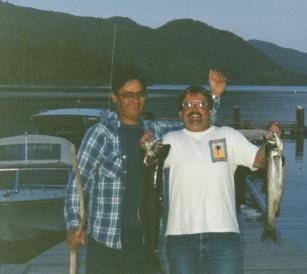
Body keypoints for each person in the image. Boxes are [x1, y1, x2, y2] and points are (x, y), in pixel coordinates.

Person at [64, 69, 226, 274]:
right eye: (128, 95)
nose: (135, 100)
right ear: (115, 97)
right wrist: (73, 225)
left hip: (146, 239)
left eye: (140, 94)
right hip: (105, 239)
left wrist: (215, 96)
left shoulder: (158, 132)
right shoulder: (100, 134)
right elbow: (78, 184)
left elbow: (199, 125)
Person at [162, 86, 280, 274]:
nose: (194, 108)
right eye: (188, 104)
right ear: (180, 113)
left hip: (224, 237)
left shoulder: (228, 135)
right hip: (180, 239)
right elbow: (149, 163)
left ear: (210, 110)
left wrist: (270, 143)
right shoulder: (170, 140)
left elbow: (258, 161)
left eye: (201, 104)